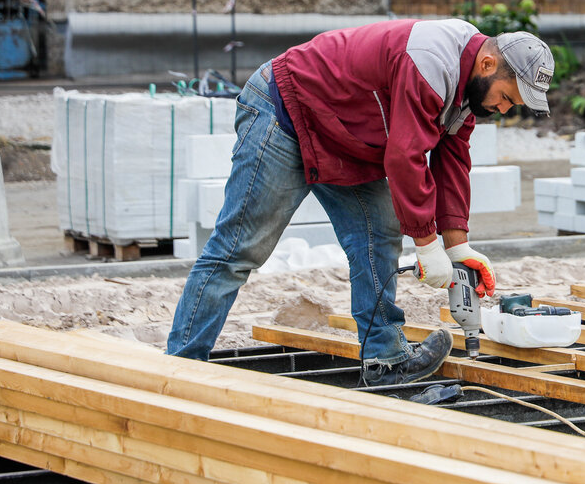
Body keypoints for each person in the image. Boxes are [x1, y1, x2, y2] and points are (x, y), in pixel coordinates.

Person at [165, 19, 555, 386]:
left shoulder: (469, 87)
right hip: (285, 109)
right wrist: (425, 242)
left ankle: (385, 359)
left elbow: (452, 161)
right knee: (239, 249)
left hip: (342, 134)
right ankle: (181, 367)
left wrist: (456, 245)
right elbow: (406, 156)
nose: (504, 109)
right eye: (506, 97)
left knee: (379, 232)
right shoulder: (432, 62)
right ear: (487, 63)